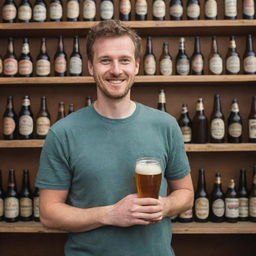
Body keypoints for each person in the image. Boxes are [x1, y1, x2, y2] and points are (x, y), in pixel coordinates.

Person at [36, 20, 194, 256]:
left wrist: (166, 205)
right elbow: (48, 214)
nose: (116, 70)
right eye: (105, 60)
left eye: (124, 60)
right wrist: (110, 214)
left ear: (137, 66)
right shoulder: (62, 133)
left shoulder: (166, 125)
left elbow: (187, 194)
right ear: (90, 66)